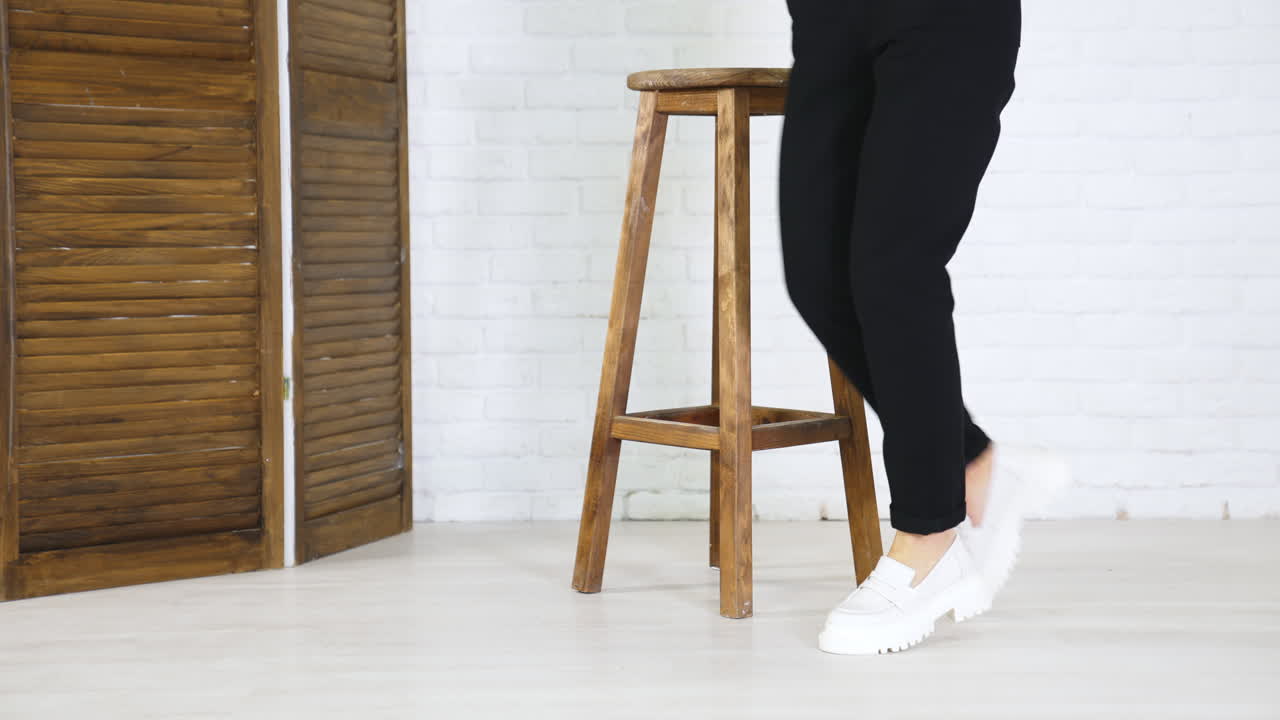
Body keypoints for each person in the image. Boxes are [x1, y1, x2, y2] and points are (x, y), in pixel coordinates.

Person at [778, 0, 1057, 654]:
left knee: (895, 267)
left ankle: (931, 533)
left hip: (946, 16)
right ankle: (968, 456)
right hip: (828, 18)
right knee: (817, 276)